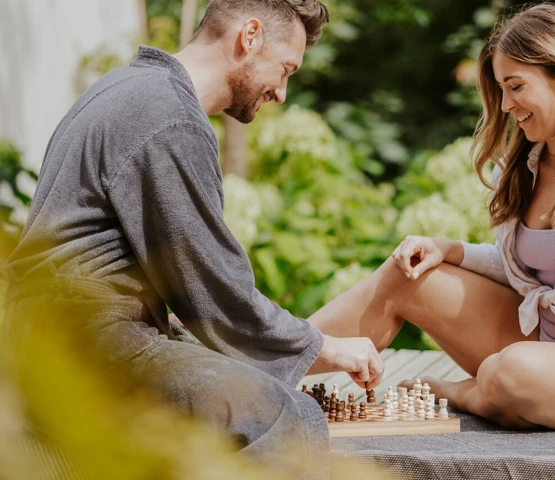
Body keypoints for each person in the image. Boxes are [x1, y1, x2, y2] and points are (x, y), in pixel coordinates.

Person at [3, 0, 383, 476]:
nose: (282, 93)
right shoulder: (169, 116)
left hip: (42, 334)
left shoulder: (128, 86)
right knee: (282, 417)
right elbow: (215, 292)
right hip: (80, 346)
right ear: (249, 36)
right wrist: (325, 345)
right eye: (285, 69)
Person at [309, 3, 555, 467]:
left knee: (515, 371)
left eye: (516, 86)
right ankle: (271, 361)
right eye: (502, 90)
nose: (506, 106)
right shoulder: (525, 161)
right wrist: (450, 251)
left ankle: (465, 393)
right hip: (538, 334)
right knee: (410, 272)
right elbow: (532, 268)